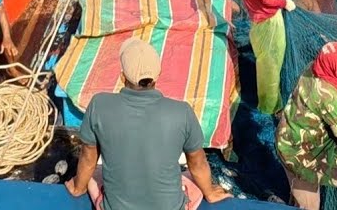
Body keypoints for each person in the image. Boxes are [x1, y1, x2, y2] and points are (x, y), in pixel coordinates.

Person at [65, 38, 231, 210]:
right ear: (157, 77)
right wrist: (210, 193)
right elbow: (198, 163)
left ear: (122, 77)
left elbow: (88, 158)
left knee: (96, 174)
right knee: (190, 177)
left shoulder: (99, 104)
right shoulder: (182, 111)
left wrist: (78, 188)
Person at [276, 42, 337, 210]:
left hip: (287, 133)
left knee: (297, 192)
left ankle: (294, 199)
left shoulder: (313, 68)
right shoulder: (329, 98)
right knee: (311, 206)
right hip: (296, 155)